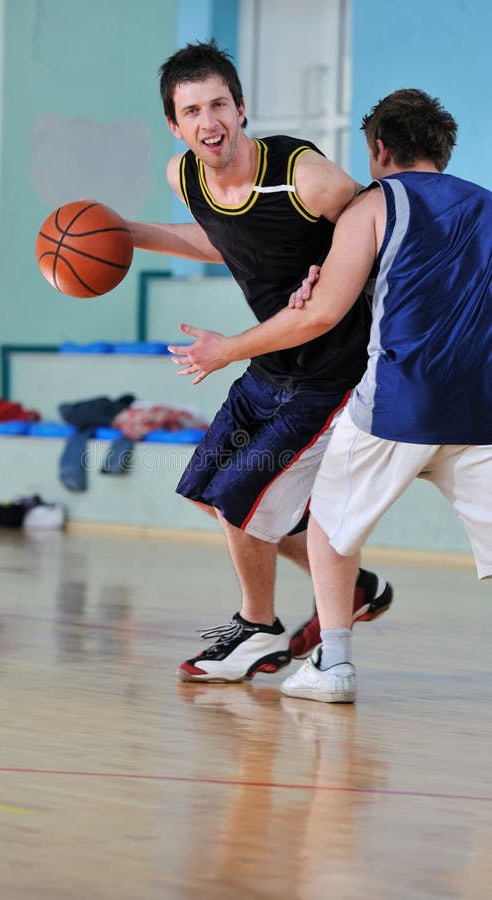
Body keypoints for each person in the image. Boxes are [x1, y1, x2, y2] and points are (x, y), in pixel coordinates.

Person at [168, 88, 492, 700]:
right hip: (479, 409)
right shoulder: (487, 206)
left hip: (397, 403)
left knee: (332, 531)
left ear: (378, 150)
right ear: (445, 150)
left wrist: (289, 303)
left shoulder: (373, 203)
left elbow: (322, 315)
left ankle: (333, 666)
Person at [125, 40, 392, 683]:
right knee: (209, 490)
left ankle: (259, 629)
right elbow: (224, 242)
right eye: (191, 111)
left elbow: (381, 227)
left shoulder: (304, 175)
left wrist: (331, 277)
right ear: (175, 123)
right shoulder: (184, 175)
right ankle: (353, 585)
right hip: (274, 362)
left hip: (333, 366)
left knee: (242, 496)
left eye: (218, 104)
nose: (207, 122)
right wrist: (126, 233)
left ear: (241, 108)